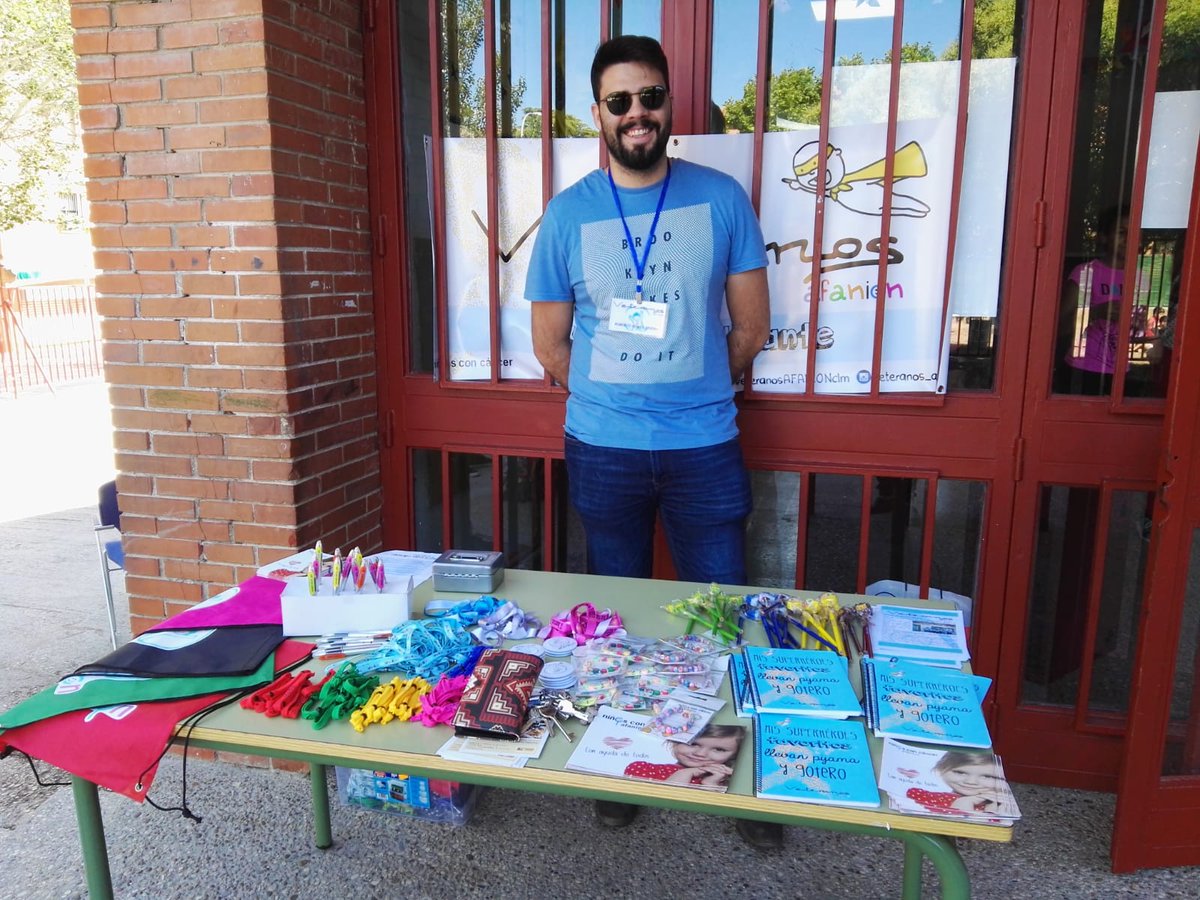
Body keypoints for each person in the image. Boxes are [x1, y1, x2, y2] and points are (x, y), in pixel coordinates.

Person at [524, 34, 773, 845]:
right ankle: (623, 762)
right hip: (604, 449)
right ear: (598, 113)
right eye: (620, 101)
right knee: (616, 617)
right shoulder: (569, 214)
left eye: (651, 97)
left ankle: (733, 782)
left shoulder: (721, 198)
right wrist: (617, 398)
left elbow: (750, 327)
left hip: (705, 445)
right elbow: (550, 344)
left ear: (670, 104)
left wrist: (690, 388)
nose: (638, 113)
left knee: (721, 613)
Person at [1057, 205, 1139, 395]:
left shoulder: (1142, 277)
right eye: (1121, 232)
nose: (1128, 239)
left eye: (1134, 232)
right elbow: (1060, 327)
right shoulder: (1086, 273)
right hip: (1083, 369)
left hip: (1126, 371)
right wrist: (1096, 312)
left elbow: (1151, 334)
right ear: (1104, 237)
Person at [624, 723, 744, 788]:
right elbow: (665, 802)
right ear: (674, 740)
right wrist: (685, 773)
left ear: (734, 754)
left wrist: (710, 785)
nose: (700, 754)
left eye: (719, 749)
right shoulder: (642, 769)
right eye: (692, 743)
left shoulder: (730, 782)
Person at [906, 749, 1020, 818]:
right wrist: (962, 804)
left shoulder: (998, 805)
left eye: (987, 776)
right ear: (940, 769)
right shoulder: (922, 796)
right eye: (960, 772)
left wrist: (993, 811)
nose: (971, 782)